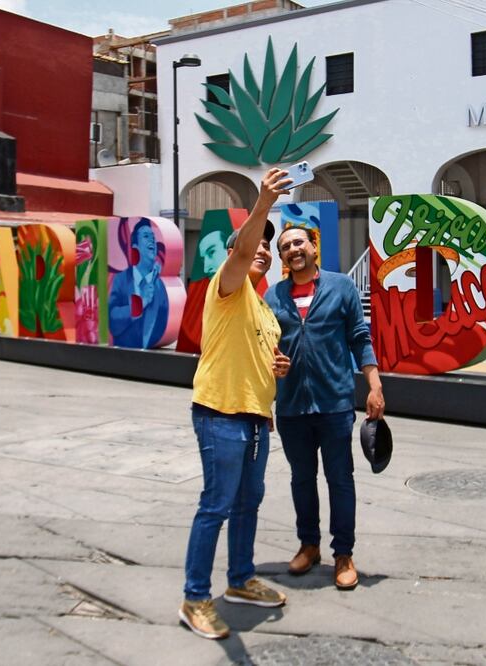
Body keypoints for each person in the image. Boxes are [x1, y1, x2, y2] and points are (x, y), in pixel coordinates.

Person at [179, 168, 292, 640]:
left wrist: (276, 367)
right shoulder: (228, 287)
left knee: (249, 501)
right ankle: (195, 597)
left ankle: (241, 579)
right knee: (217, 504)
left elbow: (255, 357)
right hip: (220, 415)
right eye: (256, 244)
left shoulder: (265, 310)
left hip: (255, 420)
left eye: (271, 245)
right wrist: (263, 201)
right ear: (235, 251)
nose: (263, 249)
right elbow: (244, 249)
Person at [264, 226, 385, 591]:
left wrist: (374, 385)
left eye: (298, 242)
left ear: (313, 246)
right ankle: (309, 545)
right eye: (285, 247)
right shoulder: (273, 296)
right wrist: (267, 383)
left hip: (334, 404)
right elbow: (265, 346)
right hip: (290, 407)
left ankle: (343, 554)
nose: (292, 250)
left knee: (340, 479)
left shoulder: (341, 287)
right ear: (282, 258)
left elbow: (359, 338)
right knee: (301, 479)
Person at [109, 219, 168, 348]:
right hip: (122, 358)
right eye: (146, 236)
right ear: (135, 246)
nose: (152, 240)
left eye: (153, 237)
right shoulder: (121, 280)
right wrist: (141, 303)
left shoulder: (161, 288)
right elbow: (112, 320)